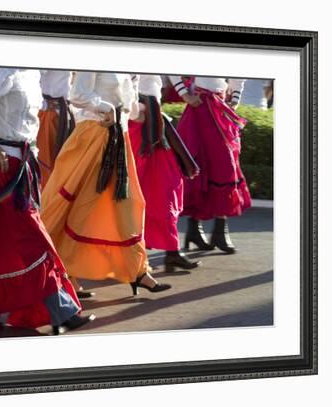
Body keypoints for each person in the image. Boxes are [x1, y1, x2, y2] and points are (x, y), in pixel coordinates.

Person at [0, 68, 95, 335]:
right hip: (6, 165)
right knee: (35, 239)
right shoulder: (5, 71)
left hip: (24, 162)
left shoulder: (31, 73)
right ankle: (61, 312)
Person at [41, 72, 171, 296]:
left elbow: (130, 110)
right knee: (79, 207)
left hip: (119, 137)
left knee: (129, 205)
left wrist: (144, 106)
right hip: (93, 136)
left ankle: (138, 271)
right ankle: (65, 273)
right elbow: (78, 95)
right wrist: (106, 107)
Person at [169, 76, 252, 253]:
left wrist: (234, 101)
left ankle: (216, 231)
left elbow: (240, 74)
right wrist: (185, 95)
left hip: (219, 108)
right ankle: (197, 230)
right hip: (199, 107)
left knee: (224, 168)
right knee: (198, 167)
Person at [128, 74, 200, 273]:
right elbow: (122, 84)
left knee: (168, 188)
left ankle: (172, 252)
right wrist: (137, 111)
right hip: (138, 124)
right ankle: (134, 257)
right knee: (134, 193)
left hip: (154, 121)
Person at [36, 70, 75, 188]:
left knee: (65, 165)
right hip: (49, 114)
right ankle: (46, 202)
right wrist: (44, 104)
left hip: (66, 113)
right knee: (46, 164)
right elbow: (31, 76)